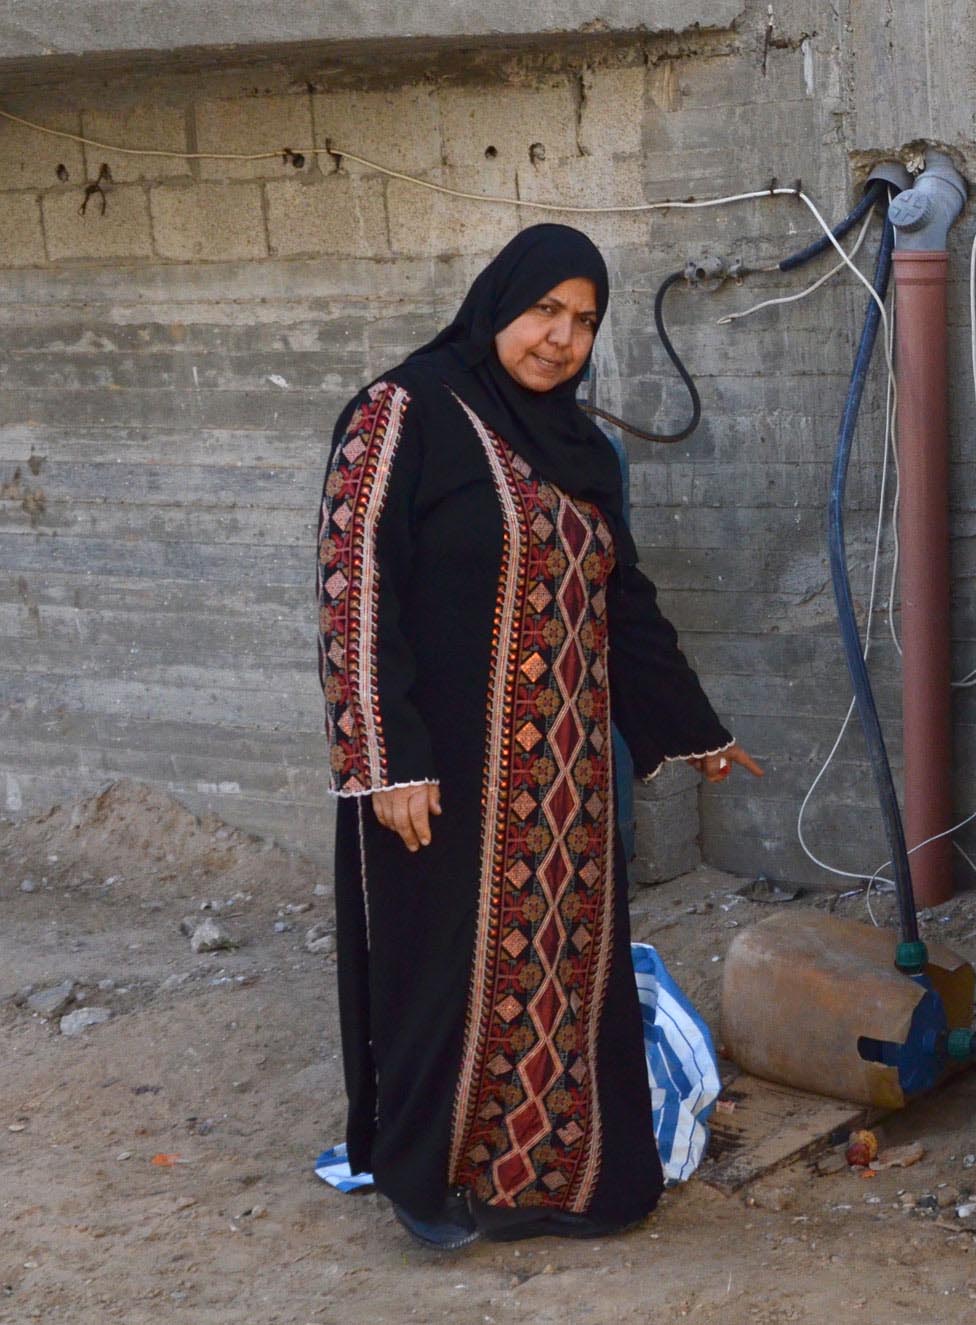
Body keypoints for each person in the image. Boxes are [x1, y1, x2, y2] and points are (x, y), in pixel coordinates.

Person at [315, 223, 763, 1250]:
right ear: (498, 304)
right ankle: (433, 1183)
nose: (560, 339)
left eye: (583, 321)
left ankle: (548, 1179)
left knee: (559, 978)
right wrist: (386, 757)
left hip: (567, 783)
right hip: (440, 772)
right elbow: (355, 591)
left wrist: (693, 730)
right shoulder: (405, 411)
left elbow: (623, 600)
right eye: (544, 312)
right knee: (444, 976)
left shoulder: (580, 449)